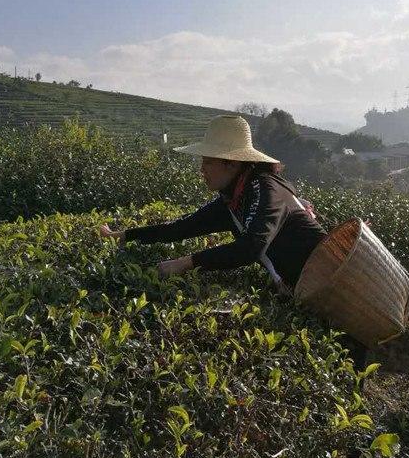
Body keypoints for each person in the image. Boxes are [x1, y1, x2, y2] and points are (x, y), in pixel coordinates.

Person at [101, 114, 368, 369]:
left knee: (348, 364)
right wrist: (126, 236)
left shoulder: (266, 189)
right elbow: (182, 227)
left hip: (336, 294)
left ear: (231, 163)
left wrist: (187, 262)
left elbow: (251, 247)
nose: (201, 170)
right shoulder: (234, 200)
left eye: (208, 161)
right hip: (307, 295)